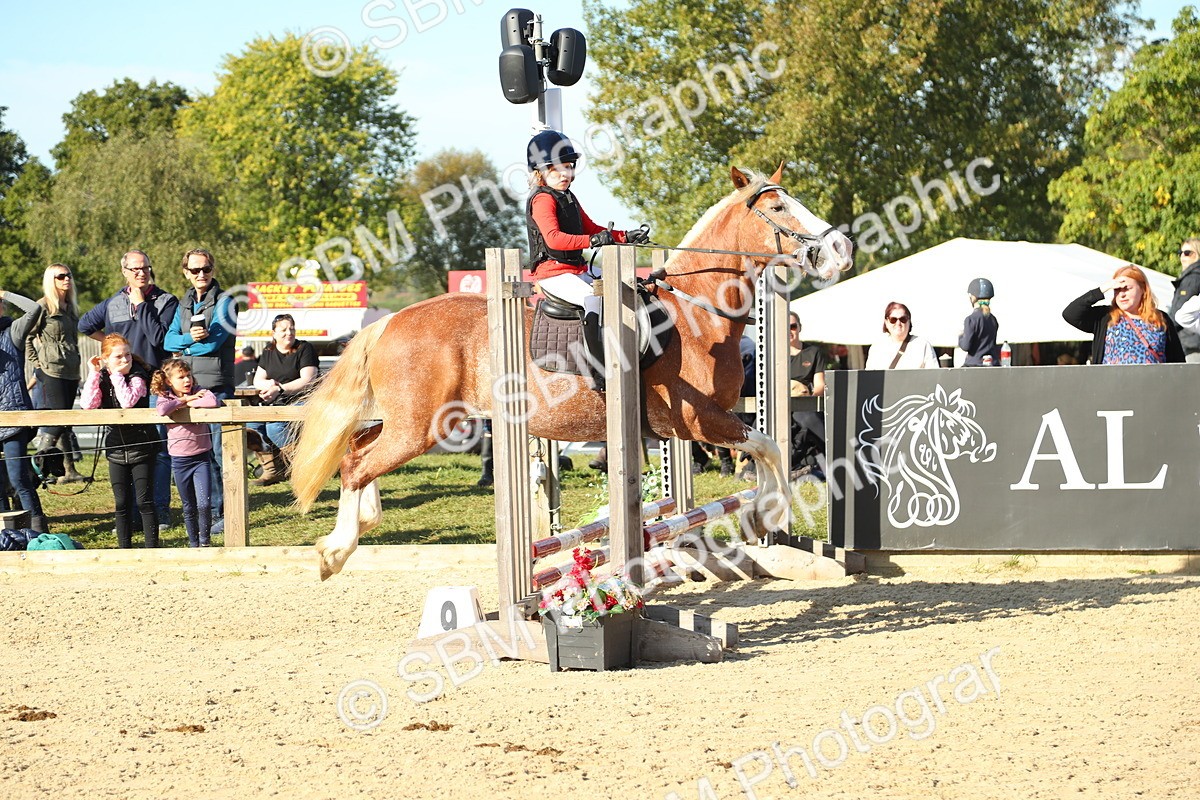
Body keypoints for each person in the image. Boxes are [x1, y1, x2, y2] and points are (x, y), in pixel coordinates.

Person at [525, 129, 650, 391]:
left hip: (575, 270)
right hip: (553, 275)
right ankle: (598, 370)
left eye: (569, 168)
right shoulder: (542, 199)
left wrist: (625, 236)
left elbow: (591, 228)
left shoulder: (568, 197)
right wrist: (592, 242)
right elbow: (555, 239)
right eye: (558, 169)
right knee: (592, 299)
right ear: (541, 171)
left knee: (626, 289)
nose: (566, 174)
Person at [79, 250, 178, 529]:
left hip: (155, 383)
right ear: (124, 272)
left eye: (145, 267)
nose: (140, 273)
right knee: (127, 451)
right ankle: (133, 516)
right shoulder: (113, 303)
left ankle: (159, 513)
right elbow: (84, 324)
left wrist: (142, 304)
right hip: (122, 385)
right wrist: (112, 346)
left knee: (157, 452)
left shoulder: (166, 301)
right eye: (134, 269)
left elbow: (160, 339)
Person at [164, 248, 236, 532]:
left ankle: (227, 511)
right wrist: (185, 339)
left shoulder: (226, 301)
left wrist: (185, 345)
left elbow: (213, 343)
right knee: (199, 454)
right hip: (189, 390)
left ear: (213, 269)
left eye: (206, 269)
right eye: (195, 270)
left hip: (216, 388)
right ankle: (210, 511)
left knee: (221, 452)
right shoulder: (182, 303)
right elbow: (168, 341)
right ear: (186, 273)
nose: (201, 275)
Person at [81, 333, 160, 548]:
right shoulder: (103, 376)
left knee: (144, 501)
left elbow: (127, 401)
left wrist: (116, 375)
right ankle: (124, 547)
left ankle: (152, 547)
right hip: (116, 446)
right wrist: (93, 373)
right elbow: (88, 405)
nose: (125, 360)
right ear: (105, 358)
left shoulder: (138, 375)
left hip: (142, 445)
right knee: (121, 502)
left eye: (127, 355)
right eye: (118, 357)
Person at [23, 264, 85, 483]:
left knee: (66, 421)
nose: (67, 279)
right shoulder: (42, 307)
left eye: (69, 275)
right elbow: (27, 337)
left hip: (71, 370)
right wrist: (36, 364)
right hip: (51, 371)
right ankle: (35, 464)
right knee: (58, 420)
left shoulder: (71, 307)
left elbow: (73, 341)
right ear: (52, 280)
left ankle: (69, 470)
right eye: (61, 276)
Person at [152, 358, 221, 547]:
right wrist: (183, 400)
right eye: (181, 377)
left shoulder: (200, 392)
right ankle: (193, 543)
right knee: (189, 506)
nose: (187, 380)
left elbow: (212, 400)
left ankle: (205, 542)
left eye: (188, 375)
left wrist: (191, 402)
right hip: (180, 461)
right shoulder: (166, 397)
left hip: (201, 459)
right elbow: (162, 409)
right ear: (169, 381)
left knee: (204, 504)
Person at [0, 289, 50, 532]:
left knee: (19, 478)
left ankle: (38, 531)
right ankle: (6, 532)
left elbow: (35, 309)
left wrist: (5, 293)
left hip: (13, 418)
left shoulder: (14, 331)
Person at [248, 314, 319, 485]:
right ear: (273, 333)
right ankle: (273, 471)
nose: (289, 333)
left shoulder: (304, 348)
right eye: (284, 329)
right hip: (276, 401)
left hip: (303, 399)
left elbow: (307, 379)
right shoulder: (268, 351)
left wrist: (279, 389)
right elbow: (258, 380)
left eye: (292, 329)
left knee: (275, 426)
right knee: (253, 425)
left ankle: (302, 468)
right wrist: (269, 385)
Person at [1062, 265, 1184, 365]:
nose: (1122, 294)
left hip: (1152, 389)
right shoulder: (1105, 317)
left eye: (1127, 288)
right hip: (1112, 390)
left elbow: (1178, 362)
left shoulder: (1161, 319)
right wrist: (1103, 288)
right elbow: (1071, 313)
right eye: (1117, 290)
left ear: (1142, 289)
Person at [788, 312, 826, 478]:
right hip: (780, 403)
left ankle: (834, 460)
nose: (789, 331)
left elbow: (819, 385)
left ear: (799, 328)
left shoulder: (813, 352)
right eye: (785, 327)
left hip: (805, 401)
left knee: (810, 420)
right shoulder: (772, 354)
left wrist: (808, 399)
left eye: (793, 326)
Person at [865, 301, 940, 370]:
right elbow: (870, 378)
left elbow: (933, 376)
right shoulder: (877, 347)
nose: (898, 323)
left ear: (909, 321)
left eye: (903, 319)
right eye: (893, 319)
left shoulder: (923, 345)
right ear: (886, 322)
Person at [1168, 238, 1200, 362]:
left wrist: (1164, 328)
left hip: (1192, 344)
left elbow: (1178, 313)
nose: (1182, 256)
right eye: (1180, 253)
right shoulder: (1189, 276)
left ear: (1197, 254)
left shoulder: (1194, 277)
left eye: (1187, 253)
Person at [959, 278, 1000, 366]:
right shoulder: (993, 319)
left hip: (974, 365)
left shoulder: (971, 320)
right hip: (993, 363)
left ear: (973, 297)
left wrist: (960, 337)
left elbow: (966, 346)